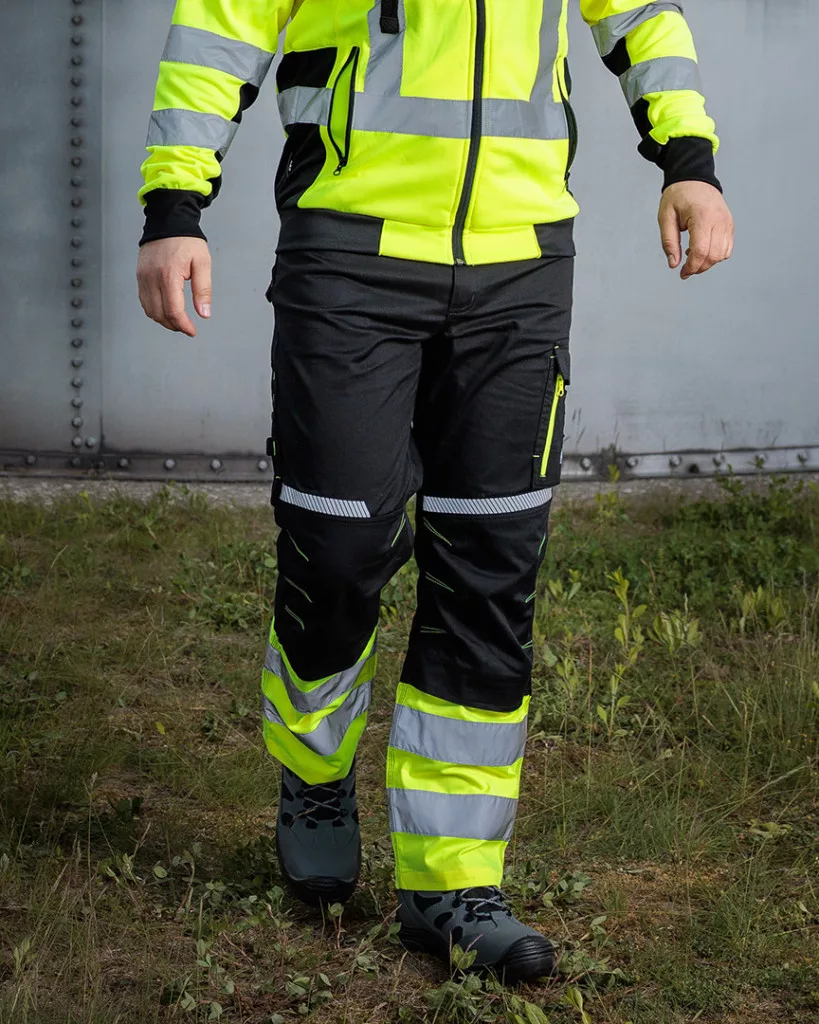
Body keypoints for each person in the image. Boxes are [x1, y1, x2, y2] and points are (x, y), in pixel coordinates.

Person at [136, 0, 734, 983]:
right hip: (349, 253)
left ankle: (452, 881)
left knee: (489, 570)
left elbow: (643, 17)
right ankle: (315, 768)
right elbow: (218, 25)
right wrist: (174, 205)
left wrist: (689, 161)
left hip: (521, 263)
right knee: (338, 547)